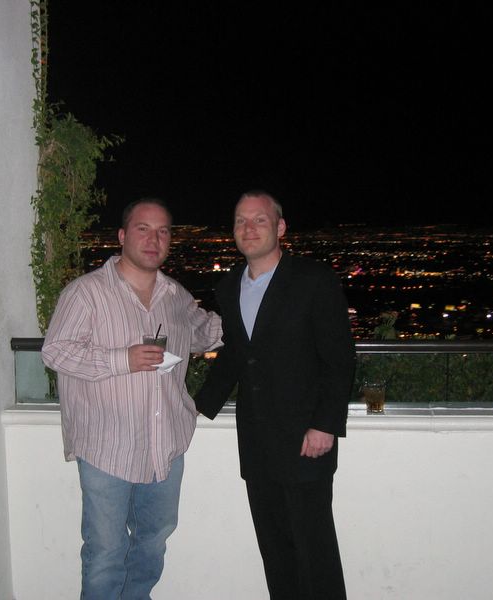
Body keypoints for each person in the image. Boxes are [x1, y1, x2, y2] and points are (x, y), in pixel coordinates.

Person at [42, 198, 222, 599]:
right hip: (106, 448)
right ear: (122, 236)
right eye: (143, 229)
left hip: (164, 447)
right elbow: (55, 351)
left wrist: (261, 313)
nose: (154, 239)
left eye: (163, 231)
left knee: (151, 546)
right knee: (106, 554)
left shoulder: (176, 296)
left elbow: (207, 333)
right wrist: (121, 359)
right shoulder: (86, 293)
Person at [195, 190, 356, 599]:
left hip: (306, 440)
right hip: (256, 442)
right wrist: (196, 406)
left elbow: (339, 358)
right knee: (276, 553)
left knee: (315, 553)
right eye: (241, 221)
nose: (249, 228)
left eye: (259, 220)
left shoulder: (313, 279)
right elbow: (238, 353)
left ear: (280, 228)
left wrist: (325, 424)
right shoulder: (228, 285)